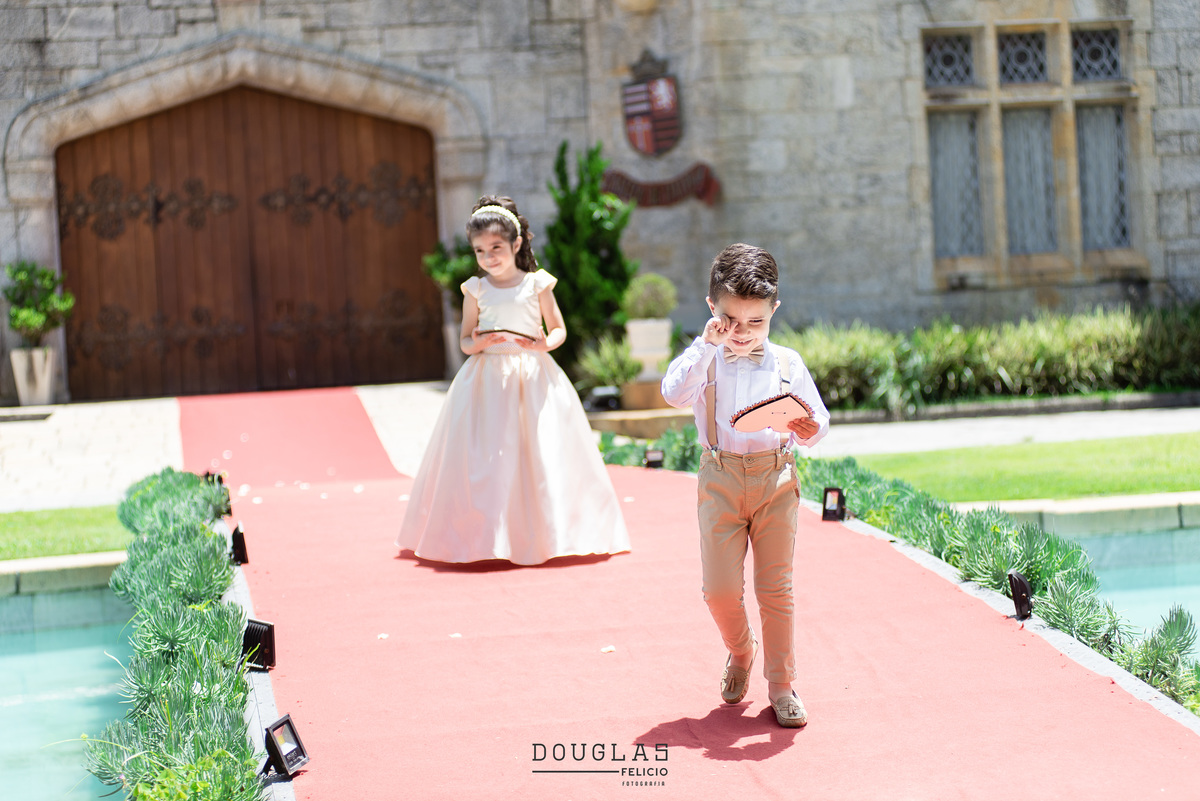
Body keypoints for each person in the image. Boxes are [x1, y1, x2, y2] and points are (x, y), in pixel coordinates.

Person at [397, 196, 630, 565]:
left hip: (533, 375)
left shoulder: (537, 284)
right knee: (488, 455)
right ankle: (485, 536)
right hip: (486, 379)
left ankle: (546, 533)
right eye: (479, 251)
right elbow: (465, 339)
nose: (489, 257)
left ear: (516, 244)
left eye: (496, 248)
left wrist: (543, 344)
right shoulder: (475, 289)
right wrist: (480, 342)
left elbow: (558, 330)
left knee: (539, 450)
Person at [660, 243, 829, 727]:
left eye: (756, 322)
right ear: (713, 309)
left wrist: (809, 429)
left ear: (774, 311)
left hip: (776, 477)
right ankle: (741, 649)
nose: (742, 333)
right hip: (721, 478)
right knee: (718, 590)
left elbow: (819, 424)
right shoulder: (706, 358)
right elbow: (673, 395)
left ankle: (781, 683)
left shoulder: (787, 364)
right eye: (731, 320)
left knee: (776, 588)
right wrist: (704, 346)